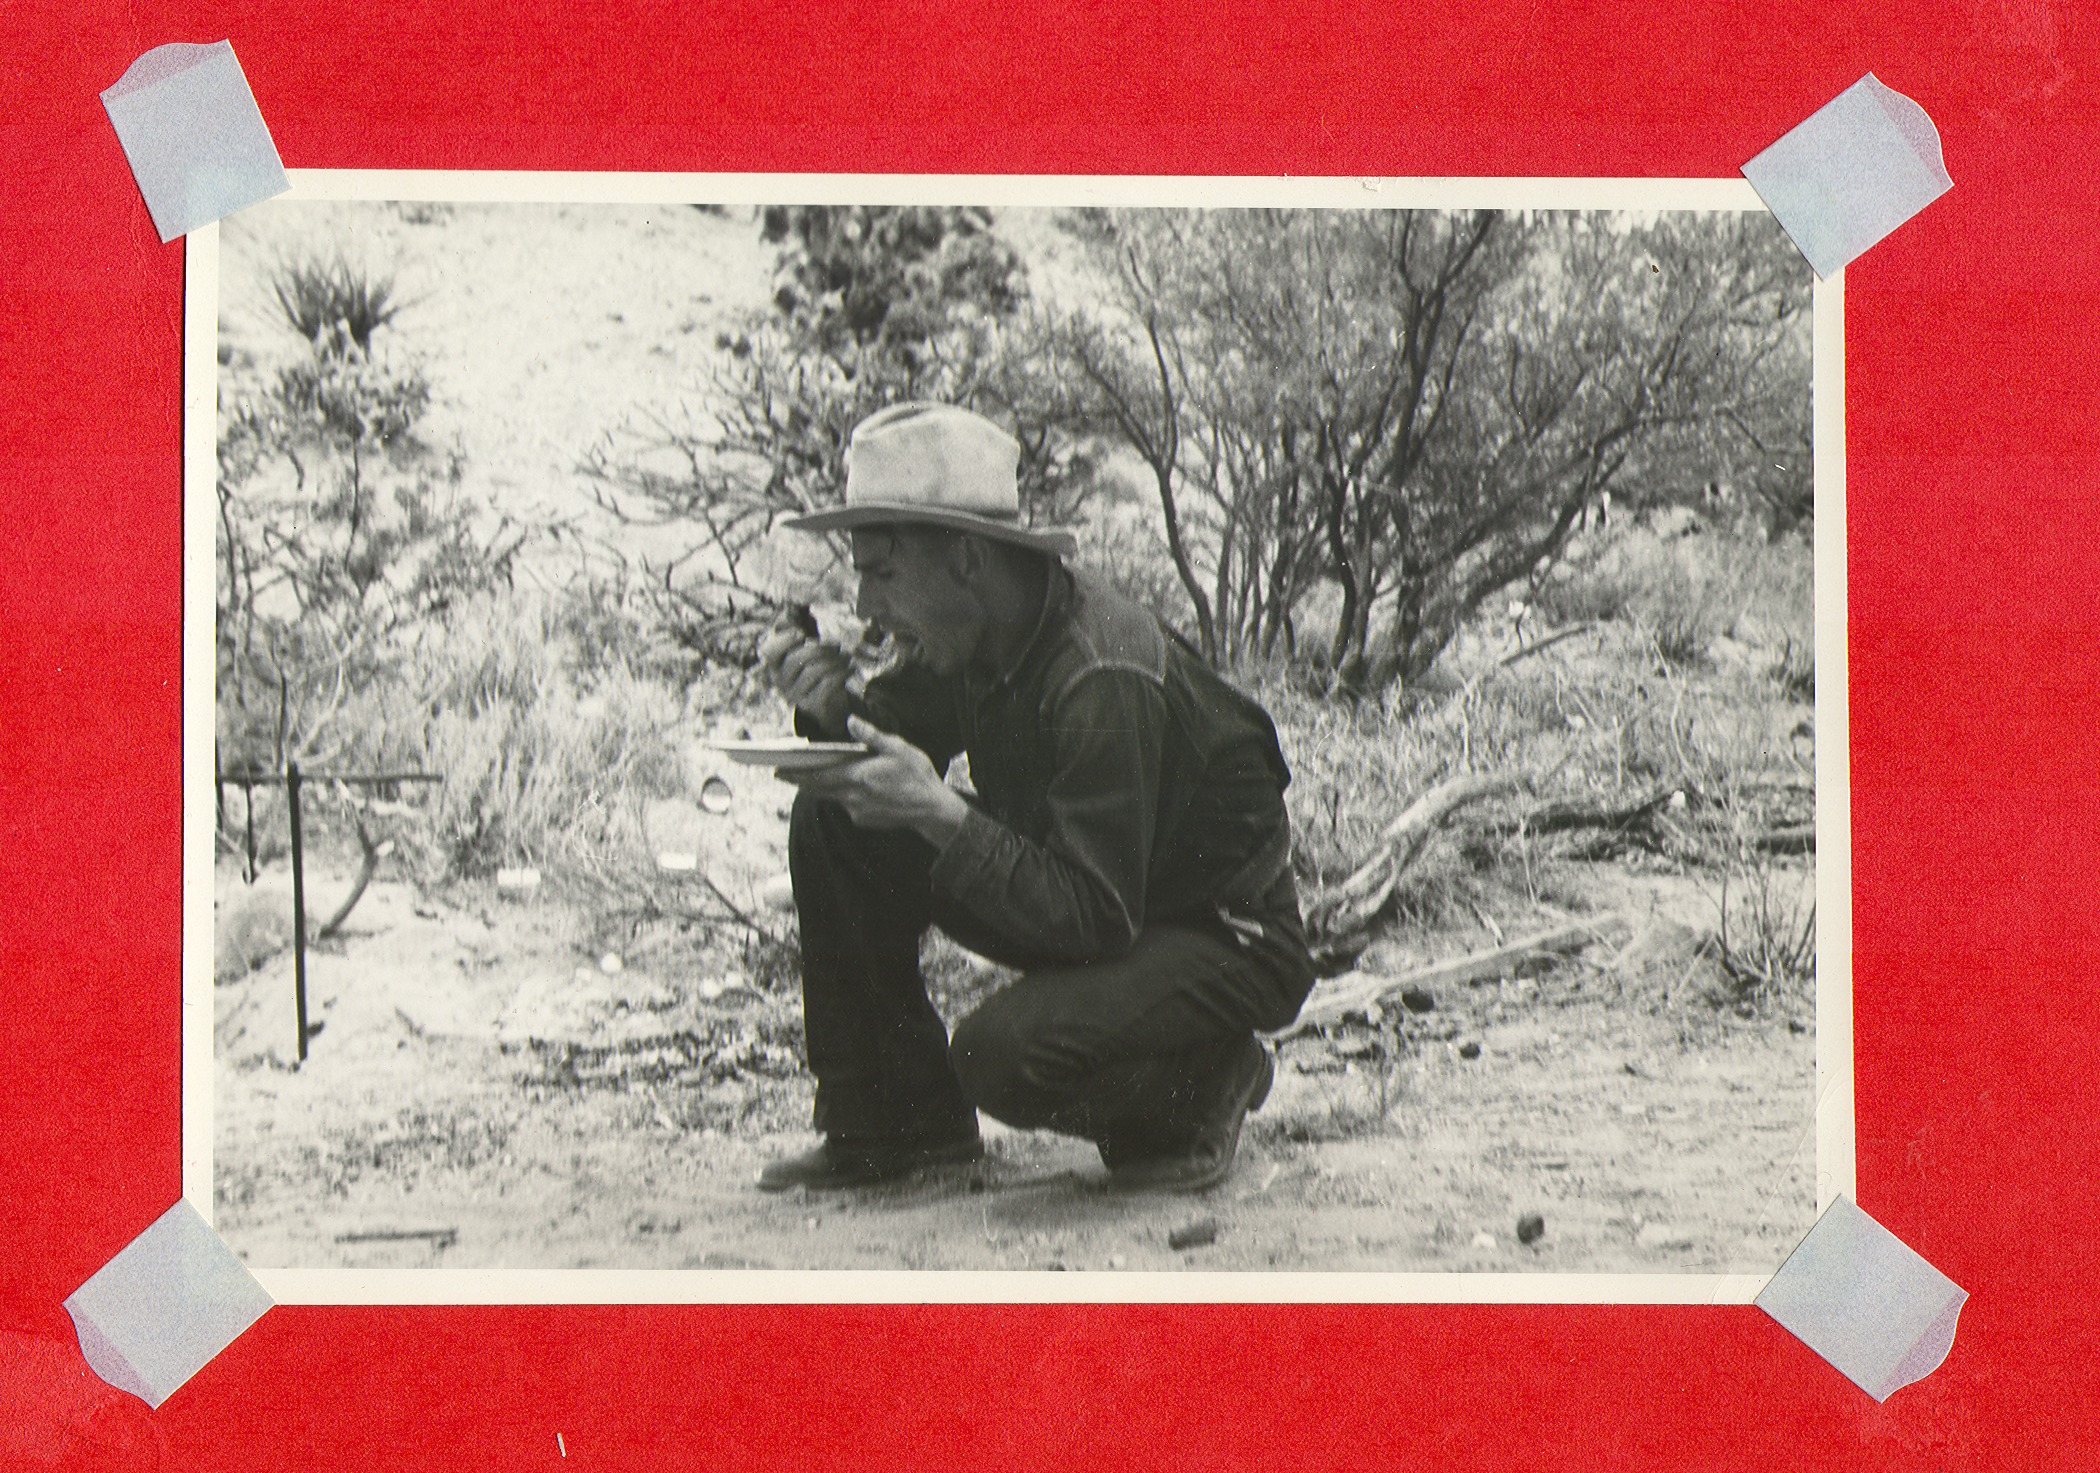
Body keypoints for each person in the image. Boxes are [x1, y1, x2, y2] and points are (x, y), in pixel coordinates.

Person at [755, 402, 1314, 1194]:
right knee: (837, 813)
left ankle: (1203, 1082)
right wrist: (826, 704)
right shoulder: (976, 631)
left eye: (882, 572)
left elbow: (1096, 914)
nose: (867, 605)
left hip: (1219, 938)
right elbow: (885, 746)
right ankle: (894, 1126)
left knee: (1001, 1055)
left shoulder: (1099, 671)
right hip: (1107, 905)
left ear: (967, 562)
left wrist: (940, 814)